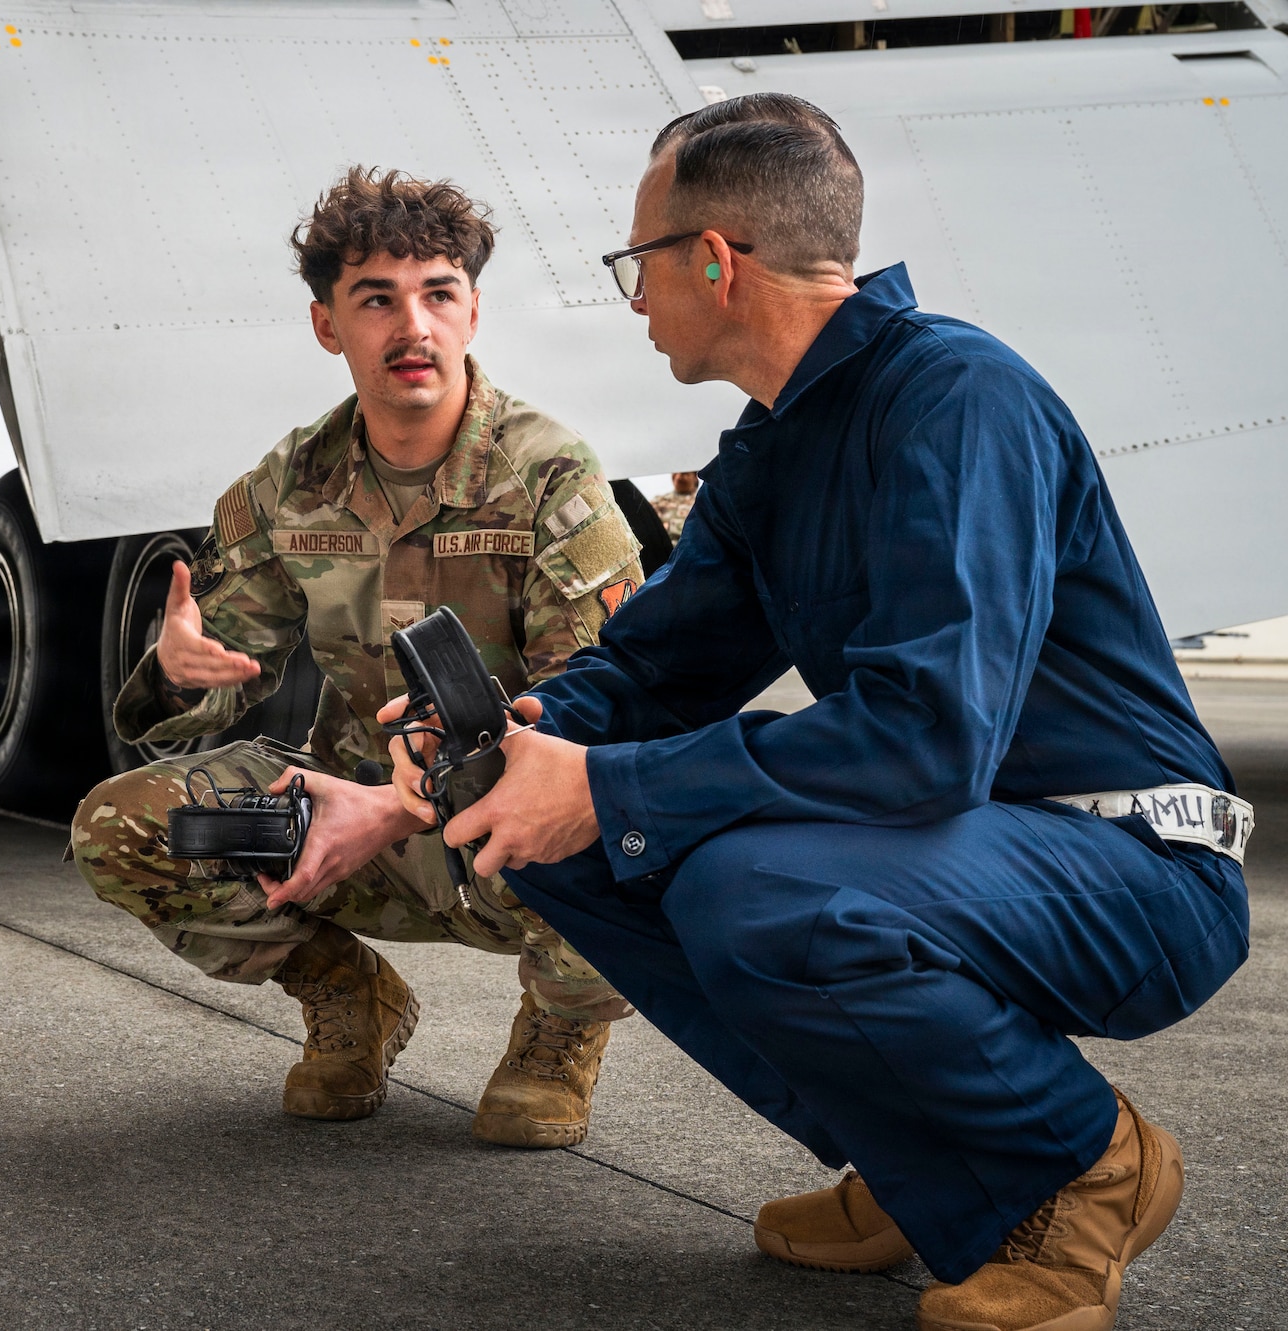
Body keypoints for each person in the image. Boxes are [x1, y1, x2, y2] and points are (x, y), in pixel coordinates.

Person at [388, 95, 1249, 1330]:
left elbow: (925, 737)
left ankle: (1076, 1169)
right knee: (561, 838)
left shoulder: (957, 399)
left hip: (1131, 858)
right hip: (969, 849)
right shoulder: (778, 443)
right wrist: (514, 740)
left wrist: (609, 784)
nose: (631, 300)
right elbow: (656, 668)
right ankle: (926, 1166)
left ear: (712, 261)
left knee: (750, 889)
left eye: (637, 264)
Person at [71, 167, 646, 1147]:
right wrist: (179, 669)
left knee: (625, 822)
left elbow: (604, 707)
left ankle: (558, 1034)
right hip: (350, 827)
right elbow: (221, 670)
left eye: (438, 294)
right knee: (124, 826)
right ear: (326, 325)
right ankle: (347, 993)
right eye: (376, 299)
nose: (412, 327)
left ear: (472, 312)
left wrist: (419, 798)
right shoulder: (290, 483)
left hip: (509, 825)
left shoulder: (551, 475)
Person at [649, 471, 698, 542]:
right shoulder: (658, 501)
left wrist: (669, 527)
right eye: (675, 472)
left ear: (695, 477)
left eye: (684, 474)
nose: (678, 477)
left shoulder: (701, 503)